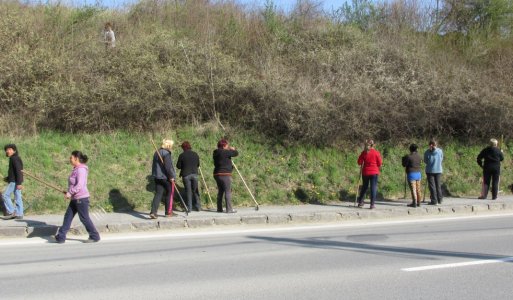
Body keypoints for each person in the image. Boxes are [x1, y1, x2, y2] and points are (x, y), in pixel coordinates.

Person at [54, 151, 100, 243]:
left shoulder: (81, 170)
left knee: (84, 218)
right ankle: (61, 236)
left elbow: (80, 185)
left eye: (71, 157)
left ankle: (94, 236)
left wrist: (70, 193)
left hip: (81, 199)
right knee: (68, 216)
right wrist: (70, 193)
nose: (69, 159)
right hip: (75, 198)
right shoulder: (76, 169)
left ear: (76, 158)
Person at [150, 139, 177, 219]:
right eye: (171, 145)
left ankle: (153, 212)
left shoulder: (156, 152)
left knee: (158, 194)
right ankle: (168, 212)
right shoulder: (166, 153)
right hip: (166, 177)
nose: (171, 147)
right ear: (168, 146)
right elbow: (168, 167)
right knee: (170, 193)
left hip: (157, 177)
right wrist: (171, 176)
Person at [213, 139, 238, 213]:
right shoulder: (225, 152)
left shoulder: (215, 152)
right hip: (225, 174)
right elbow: (236, 153)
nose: (228, 146)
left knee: (220, 191)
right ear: (224, 145)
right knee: (228, 191)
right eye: (227, 145)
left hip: (217, 174)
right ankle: (229, 209)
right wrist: (233, 149)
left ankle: (219, 208)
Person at [356, 139, 382, 209]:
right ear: (373, 145)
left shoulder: (364, 152)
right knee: (373, 188)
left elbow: (359, 162)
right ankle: (372, 204)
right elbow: (380, 163)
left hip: (365, 172)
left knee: (364, 187)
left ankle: (361, 202)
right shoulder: (376, 153)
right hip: (374, 172)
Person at [176, 141, 201, 212]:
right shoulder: (195, 154)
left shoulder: (182, 155)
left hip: (186, 175)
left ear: (183, 148)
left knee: (188, 191)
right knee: (196, 190)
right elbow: (198, 164)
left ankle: (189, 208)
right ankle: (198, 207)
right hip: (194, 174)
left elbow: (178, 166)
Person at [2, 144, 24, 219]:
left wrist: (19, 183)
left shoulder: (14, 158)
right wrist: (8, 178)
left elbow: (18, 171)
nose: (6, 151)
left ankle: (11, 211)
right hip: (15, 180)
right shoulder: (15, 158)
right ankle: (19, 213)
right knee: (18, 196)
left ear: (12, 150)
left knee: (5, 195)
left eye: (8, 150)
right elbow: (15, 172)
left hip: (14, 182)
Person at [424, 140, 444, 205]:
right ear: (436, 145)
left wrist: (430, 152)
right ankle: (440, 199)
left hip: (430, 171)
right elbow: (441, 159)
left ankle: (434, 200)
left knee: (432, 186)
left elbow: (426, 161)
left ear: (430, 145)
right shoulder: (440, 151)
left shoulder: (427, 152)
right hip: (438, 170)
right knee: (438, 185)